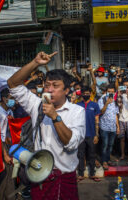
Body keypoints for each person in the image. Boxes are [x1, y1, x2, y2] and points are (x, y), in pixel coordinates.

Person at [7, 51, 85, 200]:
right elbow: (12, 84)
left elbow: (71, 143)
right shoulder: (37, 105)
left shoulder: (77, 111)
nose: (49, 90)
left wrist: (55, 117)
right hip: (39, 175)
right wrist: (35, 62)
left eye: (55, 86)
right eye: (47, 85)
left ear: (67, 91)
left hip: (64, 178)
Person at [77, 86, 101, 182]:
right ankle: (81, 174)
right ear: (81, 94)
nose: (86, 95)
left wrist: (96, 134)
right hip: (81, 135)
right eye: (84, 93)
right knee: (80, 155)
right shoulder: (77, 105)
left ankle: (92, 174)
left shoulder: (95, 105)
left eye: (88, 93)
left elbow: (97, 121)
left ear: (90, 94)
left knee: (92, 154)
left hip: (91, 134)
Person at [98, 84, 120, 170]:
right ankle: (104, 161)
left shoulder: (116, 101)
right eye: (109, 92)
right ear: (106, 92)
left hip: (113, 127)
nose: (111, 93)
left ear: (115, 92)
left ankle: (107, 159)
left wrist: (117, 127)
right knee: (105, 145)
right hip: (104, 127)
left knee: (111, 145)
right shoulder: (102, 100)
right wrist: (106, 103)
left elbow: (115, 115)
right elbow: (101, 112)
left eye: (112, 92)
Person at [116, 78, 128, 164]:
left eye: (127, 85)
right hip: (121, 118)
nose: (125, 87)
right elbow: (118, 105)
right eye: (124, 85)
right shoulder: (119, 94)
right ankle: (123, 155)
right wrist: (119, 95)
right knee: (122, 138)